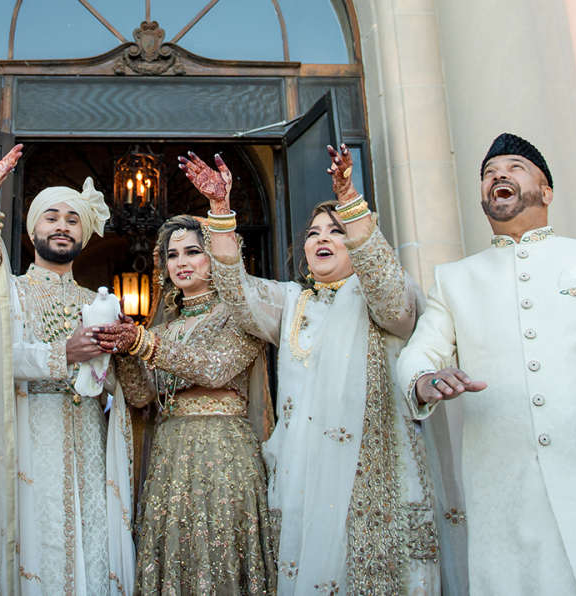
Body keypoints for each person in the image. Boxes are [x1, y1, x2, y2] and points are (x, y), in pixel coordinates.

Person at [394, 133, 576, 596]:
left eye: (514, 167)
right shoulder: (454, 280)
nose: (498, 176)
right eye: (489, 173)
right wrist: (424, 380)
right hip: (507, 493)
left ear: (546, 191)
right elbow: (420, 353)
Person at [187, 146, 443, 596]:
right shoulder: (291, 302)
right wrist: (221, 211)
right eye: (313, 232)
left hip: (372, 479)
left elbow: (386, 291)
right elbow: (236, 290)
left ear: (361, 241)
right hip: (303, 475)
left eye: (338, 230)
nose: (322, 238)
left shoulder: (389, 298)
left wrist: (349, 196)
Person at [0, 144, 136, 596]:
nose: (61, 226)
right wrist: (61, 354)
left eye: (72, 218)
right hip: (26, 444)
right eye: (51, 216)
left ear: (85, 233)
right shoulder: (8, 294)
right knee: (31, 550)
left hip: (89, 449)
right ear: (32, 227)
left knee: (91, 549)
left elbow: (123, 389)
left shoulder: (98, 304)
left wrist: (126, 352)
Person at [97, 215, 273, 596]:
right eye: (172, 255)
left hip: (225, 450)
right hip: (170, 453)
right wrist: (126, 352)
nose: (182, 262)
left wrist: (144, 344)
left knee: (222, 546)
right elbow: (143, 397)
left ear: (215, 258)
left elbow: (215, 368)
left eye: (193, 251)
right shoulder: (161, 330)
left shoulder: (241, 318)